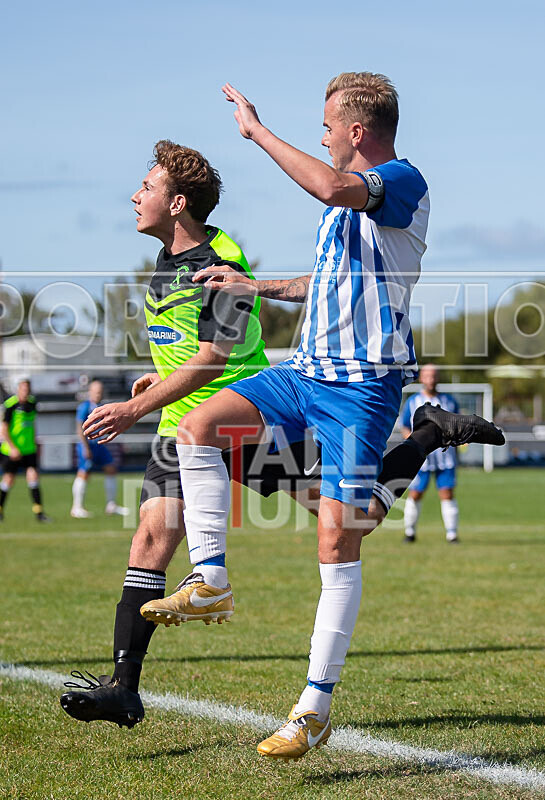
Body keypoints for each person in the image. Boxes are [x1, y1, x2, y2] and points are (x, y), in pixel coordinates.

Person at [139, 74, 504, 761]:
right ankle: (210, 579)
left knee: (337, 542)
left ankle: (313, 708)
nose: (323, 136)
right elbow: (326, 282)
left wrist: (256, 133)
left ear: (356, 130)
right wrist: (256, 287)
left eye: (328, 126)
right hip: (304, 371)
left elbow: (333, 187)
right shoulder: (345, 209)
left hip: (361, 389)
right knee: (201, 427)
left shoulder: (400, 180)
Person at [401, 364, 460, 543]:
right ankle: (409, 532)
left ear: (438, 377)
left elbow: (458, 425)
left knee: (447, 493)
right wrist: (415, 443)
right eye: (427, 376)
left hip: (445, 457)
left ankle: (452, 534)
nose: (431, 379)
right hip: (422, 458)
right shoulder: (413, 402)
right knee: (416, 493)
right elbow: (404, 426)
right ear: (421, 378)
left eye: (434, 376)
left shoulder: (450, 401)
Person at [71, 380, 129, 518]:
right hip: (88, 445)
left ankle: (111, 505)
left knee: (111, 469)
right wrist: (85, 447)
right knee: (84, 473)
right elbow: (79, 428)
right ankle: (76, 507)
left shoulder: (101, 406)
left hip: (99, 445)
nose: (99, 393)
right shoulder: (85, 407)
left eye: (100, 391)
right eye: (96, 391)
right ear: (90, 392)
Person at [0, 377, 50, 523]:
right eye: (23, 389)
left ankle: (39, 513)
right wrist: (12, 448)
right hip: (11, 450)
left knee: (33, 477)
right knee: (8, 480)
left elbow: (32, 424)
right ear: (18, 389)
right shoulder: (11, 405)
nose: (25, 392)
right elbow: (4, 429)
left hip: (29, 449)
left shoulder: (32, 404)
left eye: (27, 389)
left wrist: (35, 440)